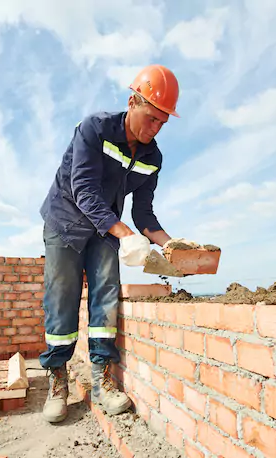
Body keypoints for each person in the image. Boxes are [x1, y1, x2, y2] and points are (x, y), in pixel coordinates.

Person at [38, 64, 181, 423]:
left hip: (105, 229)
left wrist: (174, 245)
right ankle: (58, 380)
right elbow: (83, 189)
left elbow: (145, 213)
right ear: (133, 101)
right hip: (66, 223)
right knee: (62, 297)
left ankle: (103, 381)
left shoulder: (152, 158)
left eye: (162, 123)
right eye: (151, 118)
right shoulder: (94, 129)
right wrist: (123, 233)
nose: (155, 129)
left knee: (105, 296)